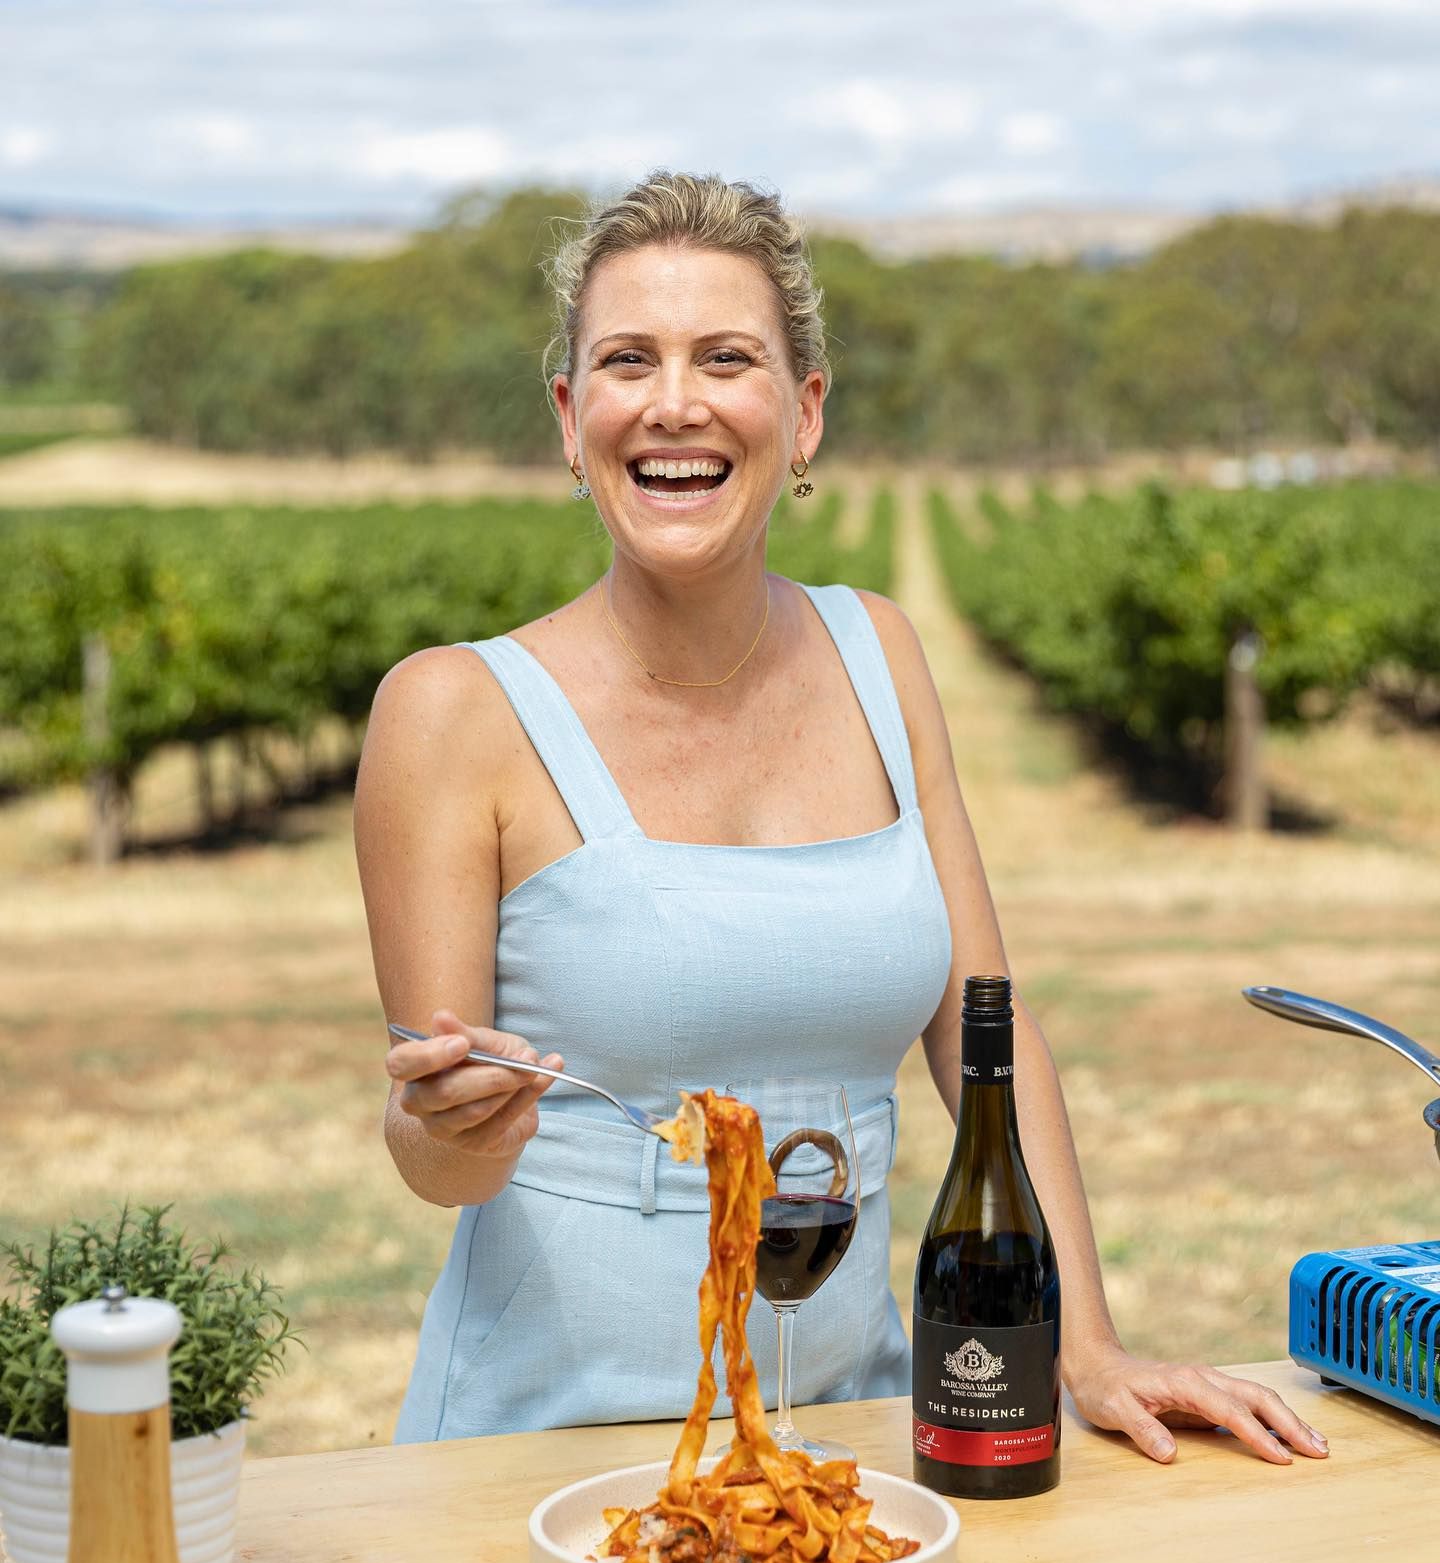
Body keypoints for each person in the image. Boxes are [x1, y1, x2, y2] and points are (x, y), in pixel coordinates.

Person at [354, 170, 1328, 1466]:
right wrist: (444, 1125)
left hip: (847, 1438)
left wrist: (1085, 1345)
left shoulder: (882, 654)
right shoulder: (449, 711)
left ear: (805, 412)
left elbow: (986, 1034)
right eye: (628, 360)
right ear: (570, 417)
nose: (674, 402)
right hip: (538, 1456)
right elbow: (441, 1164)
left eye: (727, 359)